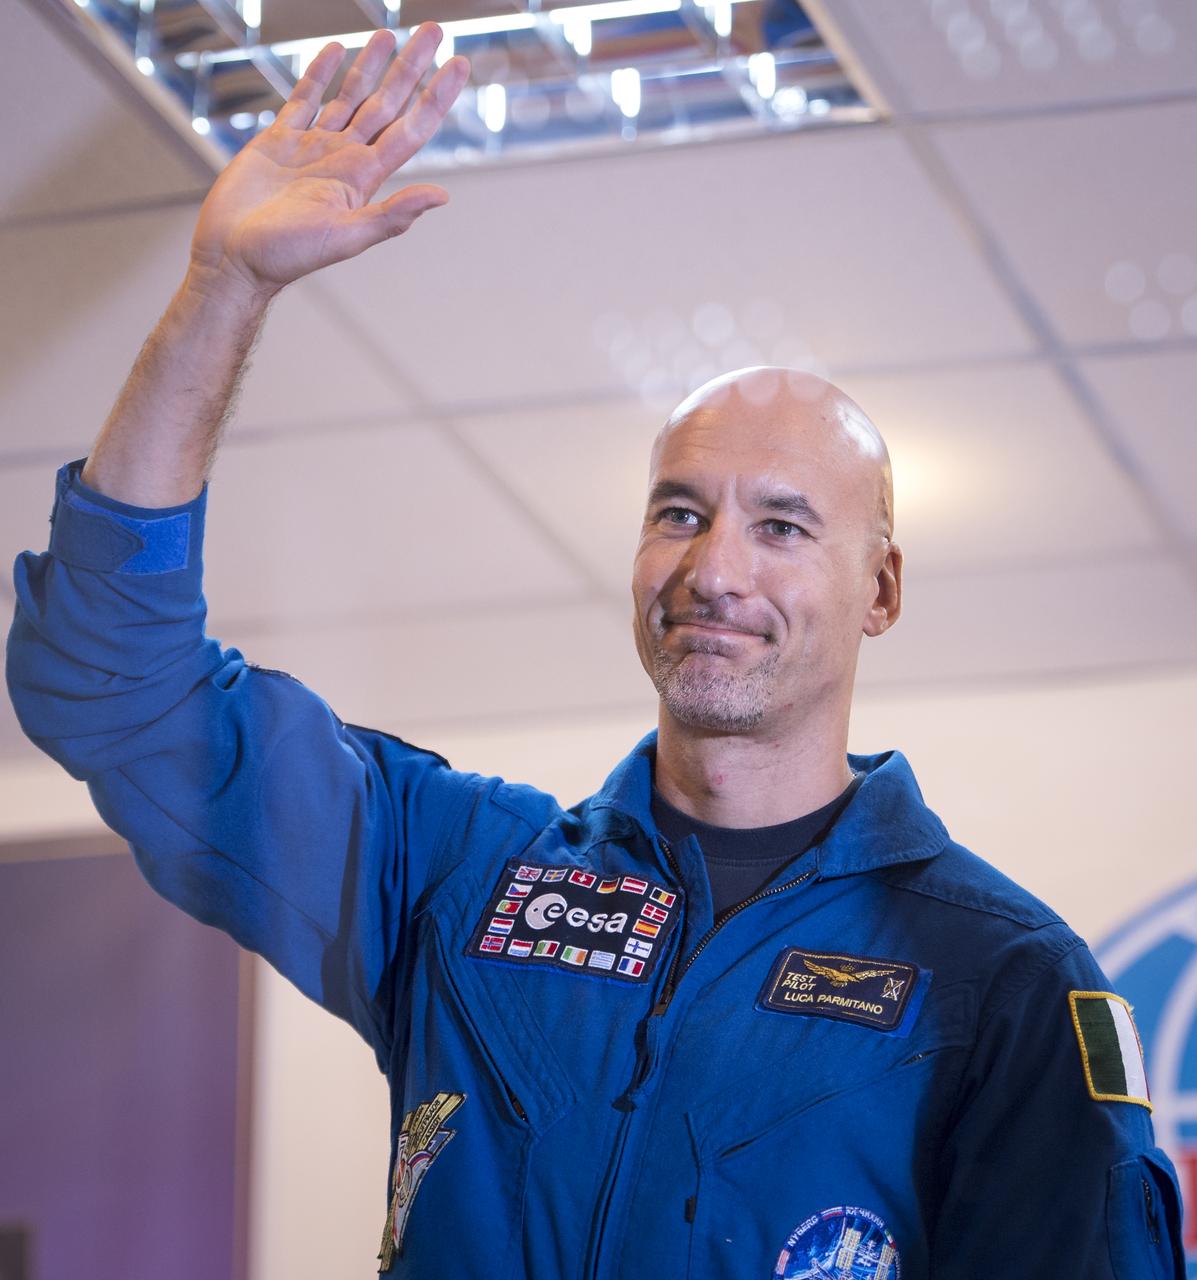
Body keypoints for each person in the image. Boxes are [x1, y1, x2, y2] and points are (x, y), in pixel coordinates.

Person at [4, 21, 1185, 1280]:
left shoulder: (998, 978)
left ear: (881, 587)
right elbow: (111, 684)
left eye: (783, 525)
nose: (714, 568)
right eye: (680, 511)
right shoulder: (452, 874)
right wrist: (222, 289)